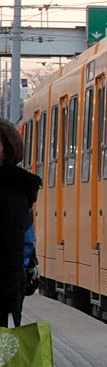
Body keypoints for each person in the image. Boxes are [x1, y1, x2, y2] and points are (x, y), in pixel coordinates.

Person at [0, 119, 42, 330]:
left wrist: (9, 295)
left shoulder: (12, 193)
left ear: (7, 150)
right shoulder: (19, 190)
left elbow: (15, 248)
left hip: (4, 293)